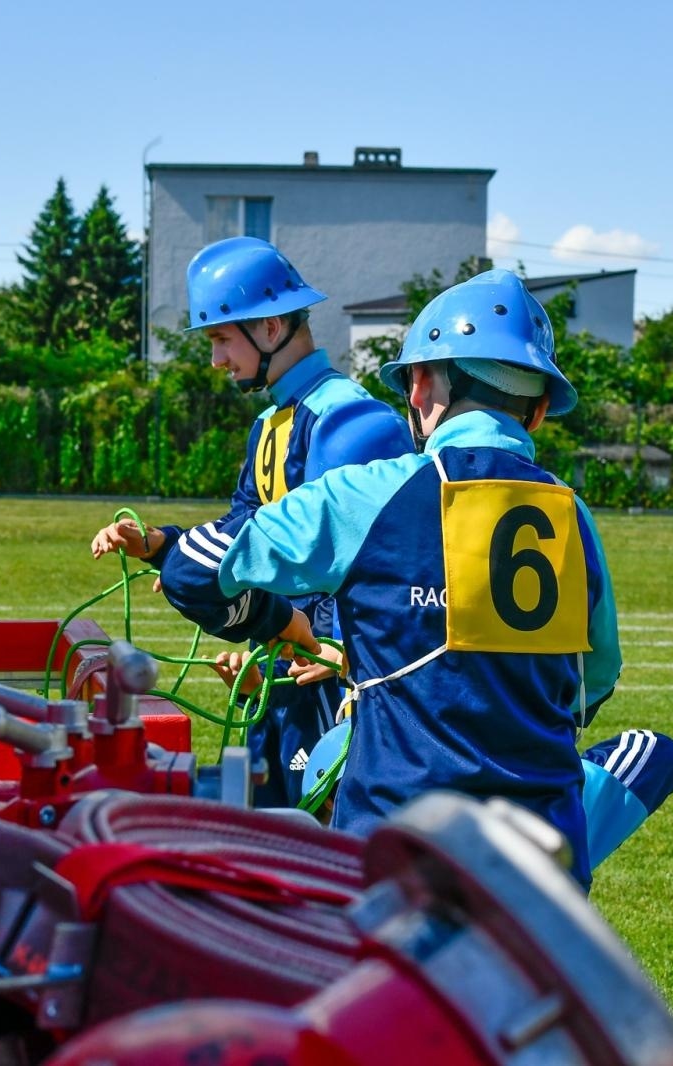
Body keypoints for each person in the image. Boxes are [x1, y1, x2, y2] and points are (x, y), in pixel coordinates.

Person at [157, 269, 673, 889]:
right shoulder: (574, 515)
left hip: (392, 856)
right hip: (543, 872)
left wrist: (281, 624)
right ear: (538, 409)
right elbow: (593, 684)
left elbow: (193, 570)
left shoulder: (372, 491)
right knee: (651, 755)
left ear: (422, 386)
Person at [90, 236, 412, 807]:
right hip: (286, 666)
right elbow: (248, 525)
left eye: (220, 339)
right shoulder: (270, 422)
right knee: (262, 832)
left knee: (325, 853)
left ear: (270, 327)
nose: (215, 360)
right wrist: (163, 545)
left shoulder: (350, 419)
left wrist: (337, 650)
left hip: (335, 681)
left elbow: (368, 555)